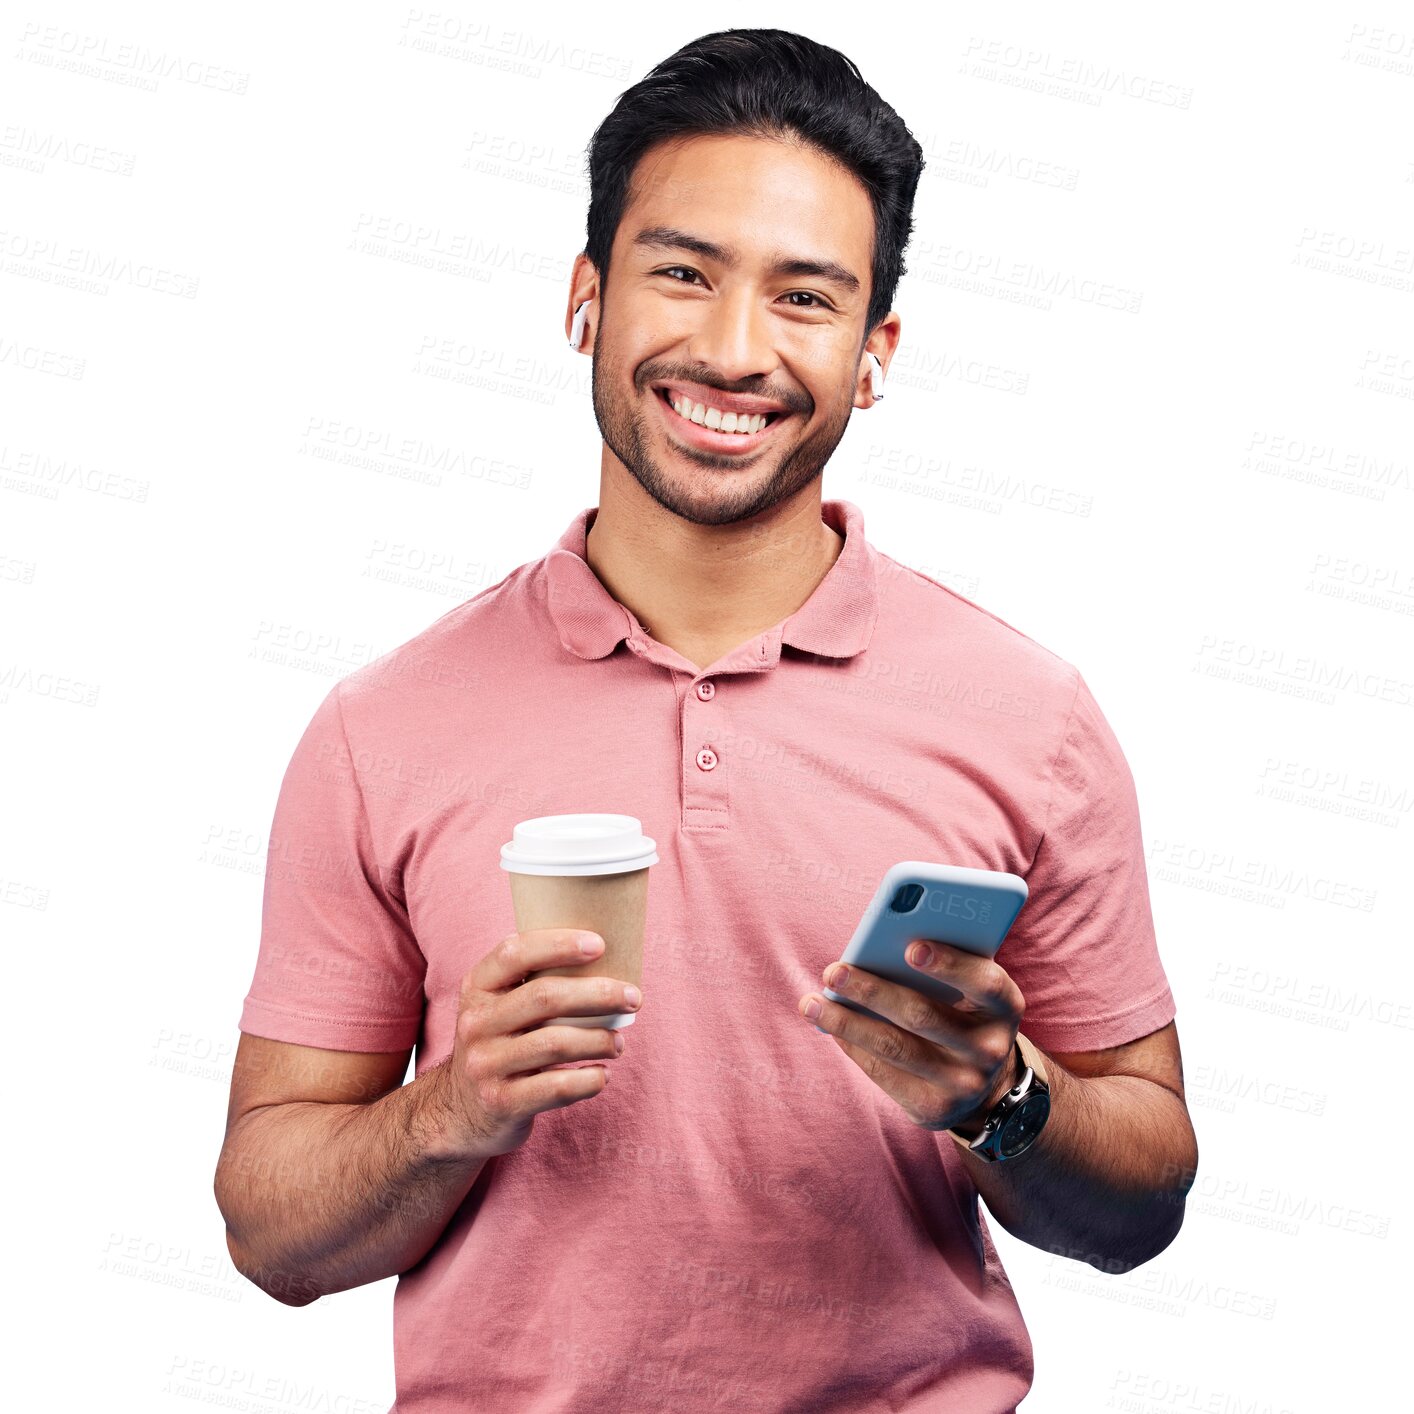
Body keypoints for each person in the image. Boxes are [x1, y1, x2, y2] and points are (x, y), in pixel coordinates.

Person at [215, 28, 1198, 1413]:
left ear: (873, 351)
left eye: (804, 297)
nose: (733, 350)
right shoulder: (382, 726)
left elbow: (1143, 1200)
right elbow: (270, 1233)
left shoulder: (1030, 716)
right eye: (682, 271)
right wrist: (453, 1109)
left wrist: (1002, 1096)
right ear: (584, 299)